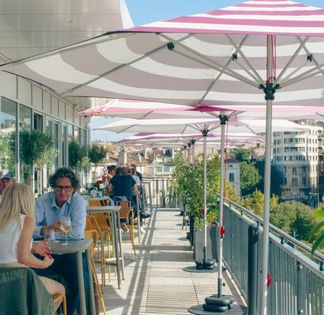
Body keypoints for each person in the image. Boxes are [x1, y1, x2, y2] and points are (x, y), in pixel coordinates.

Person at [0, 183, 65, 311]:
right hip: (18, 279)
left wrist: (33, 248)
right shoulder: (27, 220)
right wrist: (44, 264)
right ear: (27, 200)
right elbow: (23, 257)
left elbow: (7, 247)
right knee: (60, 289)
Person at [33, 167, 87, 315]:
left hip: (70, 254)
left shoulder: (79, 202)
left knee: (79, 279)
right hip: (46, 253)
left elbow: (76, 234)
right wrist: (47, 228)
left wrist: (49, 234)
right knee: (28, 274)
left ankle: (68, 312)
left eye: (67, 188)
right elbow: (29, 229)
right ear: (53, 187)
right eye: (59, 187)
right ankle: (42, 310)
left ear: (73, 188)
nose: (63, 191)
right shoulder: (42, 201)